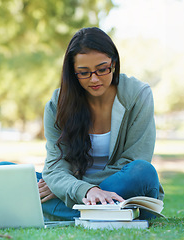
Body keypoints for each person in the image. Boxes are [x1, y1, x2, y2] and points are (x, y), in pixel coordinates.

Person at [13, 27, 163, 220]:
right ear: (72, 72)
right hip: (80, 191)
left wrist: (74, 187)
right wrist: (82, 189)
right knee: (5, 171)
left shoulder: (138, 95)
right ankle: (105, 214)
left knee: (142, 171)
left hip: (119, 188)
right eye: (83, 72)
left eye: (102, 69)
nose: (94, 79)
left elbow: (134, 159)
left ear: (114, 63)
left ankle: (66, 211)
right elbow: (55, 165)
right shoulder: (57, 105)